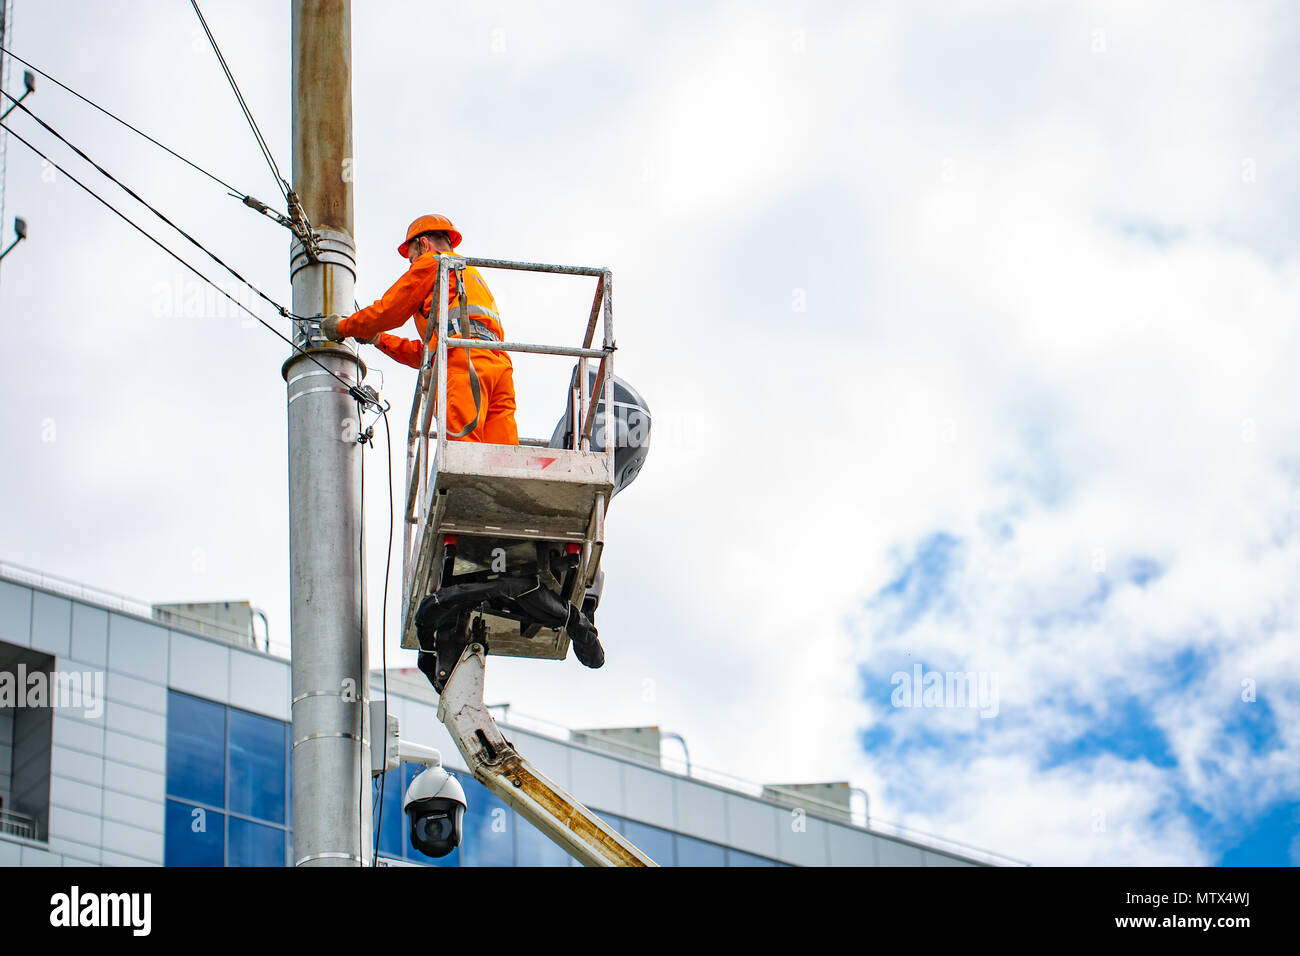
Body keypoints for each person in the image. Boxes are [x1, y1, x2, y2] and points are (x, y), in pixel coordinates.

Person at [321, 214, 519, 445]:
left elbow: (390, 310)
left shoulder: (433, 262)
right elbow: (429, 354)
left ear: (423, 244)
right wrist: (379, 339)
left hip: (464, 362)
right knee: (501, 459)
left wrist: (343, 327)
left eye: (412, 258)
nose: (413, 264)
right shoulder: (468, 275)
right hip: (497, 364)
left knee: (463, 455)